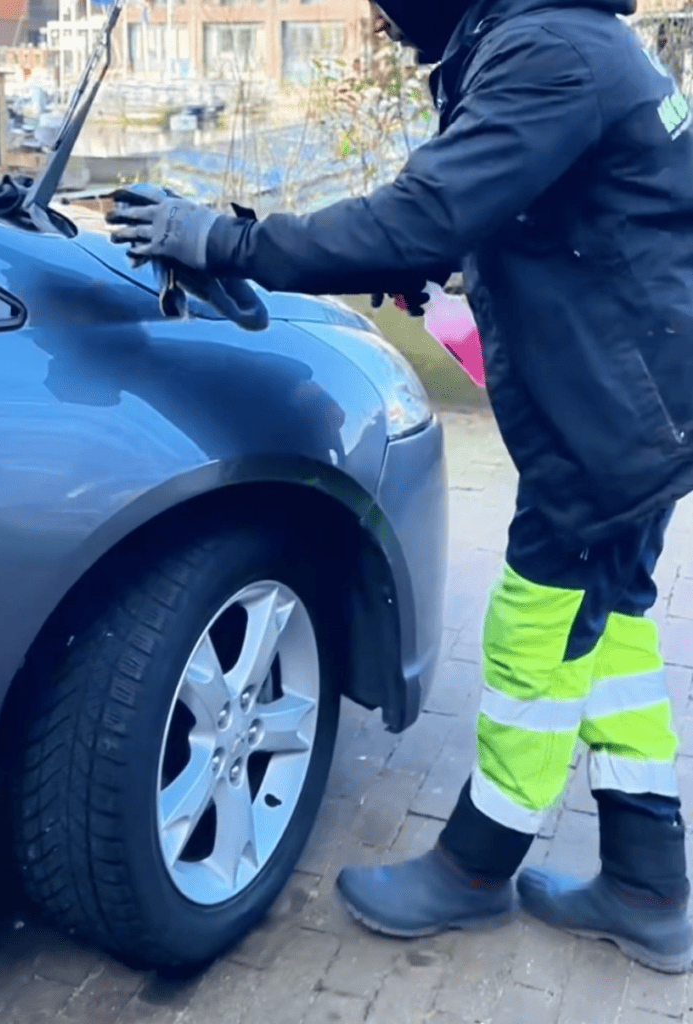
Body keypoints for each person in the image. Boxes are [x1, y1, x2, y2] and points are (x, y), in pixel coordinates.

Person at [106, 0, 693, 974]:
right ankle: (645, 878)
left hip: (617, 410)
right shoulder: (562, 38)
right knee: (613, 626)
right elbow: (516, 210)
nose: (382, 20)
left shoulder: (548, 50)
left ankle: (473, 865)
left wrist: (222, 238)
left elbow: (429, 209)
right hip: (630, 393)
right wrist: (431, 261)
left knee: (531, 629)